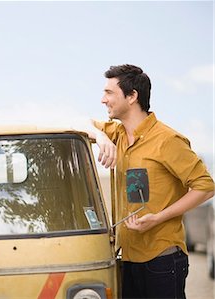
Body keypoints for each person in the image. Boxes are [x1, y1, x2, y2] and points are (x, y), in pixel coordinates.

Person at [87, 64, 214, 298]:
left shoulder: (168, 140)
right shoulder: (118, 134)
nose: (103, 100)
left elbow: (205, 187)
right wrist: (102, 137)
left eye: (109, 93)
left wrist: (158, 218)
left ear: (132, 96)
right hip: (128, 257)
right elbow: (80, 125)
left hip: (162, 260)